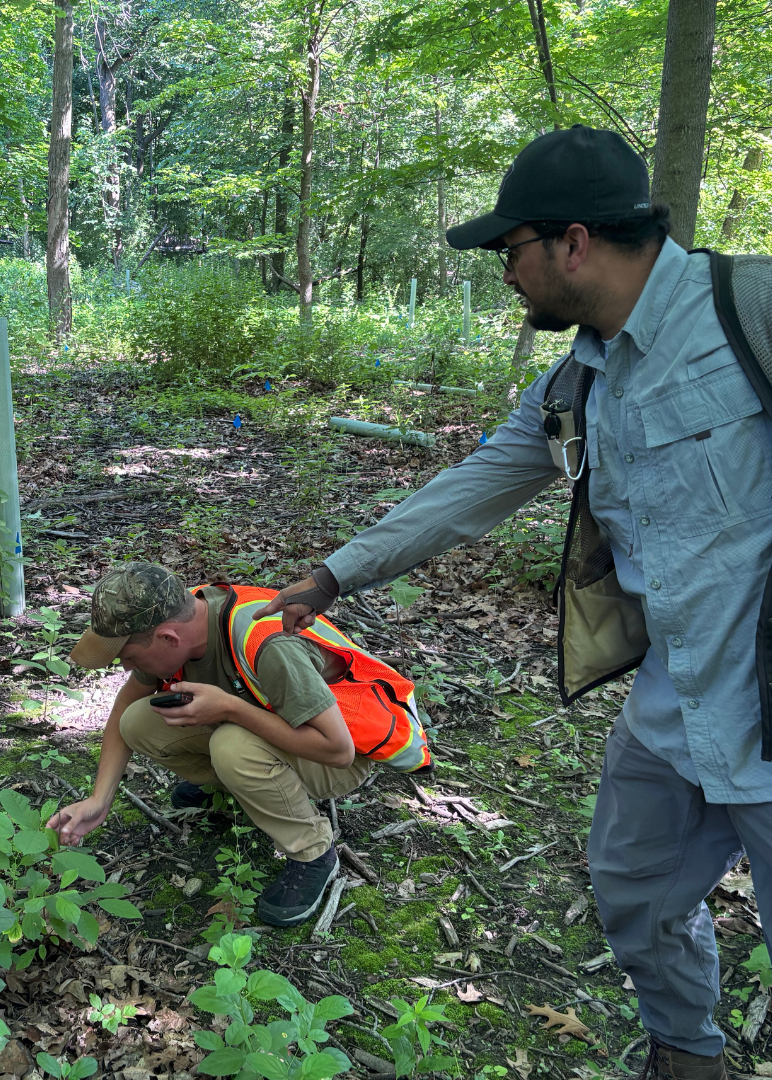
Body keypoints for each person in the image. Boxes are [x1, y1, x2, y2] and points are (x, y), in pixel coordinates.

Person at [260, 124, 772, 1079]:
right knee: (634, 887)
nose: (507, 273)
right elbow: (475, 484)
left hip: (769, 711)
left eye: (511, 249)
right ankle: (688, 1053)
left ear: (573, 242)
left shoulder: (752, 310)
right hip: (674, 705)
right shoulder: (580, 377)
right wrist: (334, 575)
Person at [49, 561, 430, 927]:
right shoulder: (177, 618)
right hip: (278, 732)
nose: (127, 667)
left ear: (168, 638)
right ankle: (243, 791)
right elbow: (126, 706)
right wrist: (100, 798)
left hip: (341, 756)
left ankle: (313, 852)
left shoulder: (270, 644)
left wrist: (231, 709)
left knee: (233, 745)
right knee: (140, 722)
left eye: (129, 657)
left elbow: (338, 749)